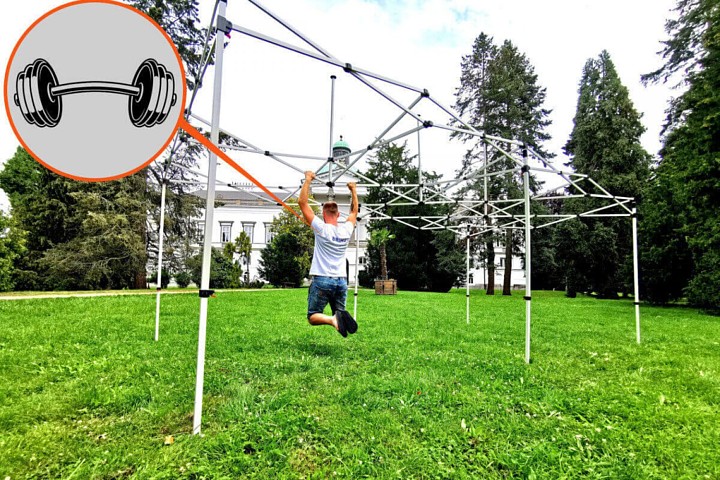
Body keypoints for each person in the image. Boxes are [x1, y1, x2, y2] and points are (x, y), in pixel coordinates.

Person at [299, 170, 359, 337]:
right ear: (338, 215)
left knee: (312, 316)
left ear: (323, 215)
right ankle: (339, 317)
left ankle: (333, 320)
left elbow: (302, 203)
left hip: (322, 280)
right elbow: (354, 212)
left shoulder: (321, 228)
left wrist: (308, 180)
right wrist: (353, 190)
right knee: (340, 312)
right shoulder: (346, 230)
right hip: (341, 281)